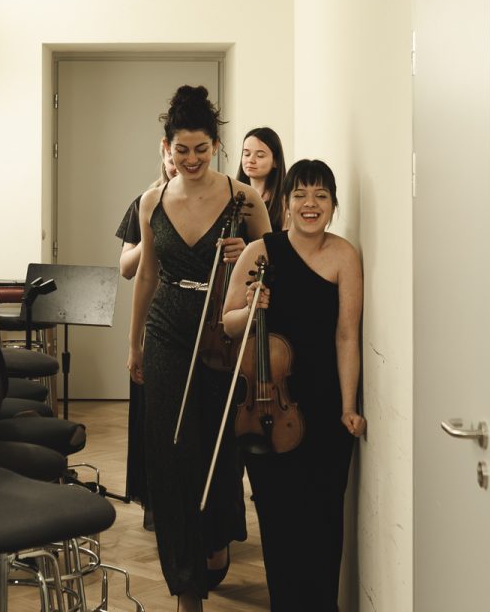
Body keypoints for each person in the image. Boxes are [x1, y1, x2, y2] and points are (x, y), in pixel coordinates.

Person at [128, 85, 271, 611]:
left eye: (201, 149)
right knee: (169, 454)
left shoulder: (243, 198)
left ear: (216, 145)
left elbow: (272, 260)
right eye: (181, 149)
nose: (191, 160)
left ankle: (215, 536)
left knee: (218, 447)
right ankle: (185, 582)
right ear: (168, 147)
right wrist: (135, 344)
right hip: (167, 330)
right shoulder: (152, 201)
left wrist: (245, 251)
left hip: (222, 334)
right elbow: (147, 275)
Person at [222, 158, 365, 612]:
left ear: (334, 205)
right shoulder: (259, 253)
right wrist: (251, 307)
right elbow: (228, 324)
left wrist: (348, 407)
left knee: (324, 521)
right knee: (280, 523)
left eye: (321, 195)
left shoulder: (344, 256)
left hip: (324, 409)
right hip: (267, 409)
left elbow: (347, 335)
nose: (310, 204)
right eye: (300, 194)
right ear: (285, 203)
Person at [116, 140, 177, 529]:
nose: (177, 166)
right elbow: (126, 267)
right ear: (164, 152)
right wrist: (152, 231)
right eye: (172, 158)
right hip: (153, 321)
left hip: (188, 321)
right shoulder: (144, 202)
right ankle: (154, 504)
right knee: (150, 418)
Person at [236, 127, 288, 231]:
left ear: (275, 161)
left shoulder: (284, 201)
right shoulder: (233, 196)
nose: (251, 160)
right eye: (246, 154)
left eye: (260, 156)